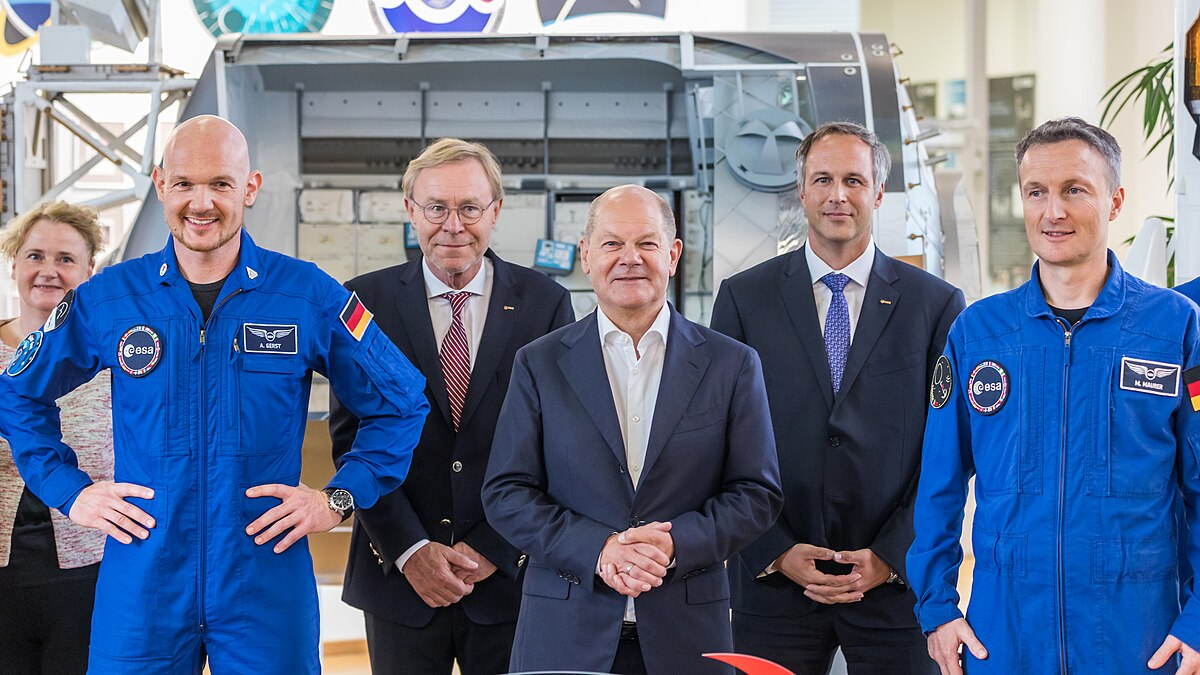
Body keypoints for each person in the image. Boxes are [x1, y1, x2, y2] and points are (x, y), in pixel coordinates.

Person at [0, 115, 429, 674]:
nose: (201, 202)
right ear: (160, 186)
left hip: (264, 581)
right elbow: (17, 393)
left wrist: (337, 498)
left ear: (249, 188)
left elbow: (401, 400)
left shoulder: (308, 294)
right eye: (184, 184)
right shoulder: (109, 299)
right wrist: (71, 491)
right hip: (143, 583)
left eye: (220, 184)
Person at [908, 116, 1200, 675]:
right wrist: (939, 610)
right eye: (1036, 192)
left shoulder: (1175, 329)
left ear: (1114, 201)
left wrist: (1198, 621)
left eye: (1074, 190)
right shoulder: (979, 334)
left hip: (1140, 639)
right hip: (1004, 637)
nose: (1053, 211)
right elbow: (939, 484)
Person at [482, 184, 784, 675]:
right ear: (585, 255)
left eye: (646, 243)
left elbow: (757, 494)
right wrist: (597, 549)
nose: (630, 258)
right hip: (565, 629)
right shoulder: (539, 364)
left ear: (673, 254)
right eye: (611, 243)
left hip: (688, 635)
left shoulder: (732, 364)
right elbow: (506, 492)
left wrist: (673, 544)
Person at [710, 121, 962, 674]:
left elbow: (947, 451)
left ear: (877, 192)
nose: (837, 195)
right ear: (801, 190)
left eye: (854, 179)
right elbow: (717, 440)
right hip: (772, 583)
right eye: (822, 179)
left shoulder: (935, 306)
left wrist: (892, 557)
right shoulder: (743, 299)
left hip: (896, 586)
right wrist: (774, 549)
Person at [330, 137, 574, 674]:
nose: (453, 224)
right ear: (410, 211)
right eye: (437, 207)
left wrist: (495, 546)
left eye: (469, 207)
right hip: (398, 578)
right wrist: (411, 549)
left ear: (496, 211)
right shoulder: (362, 303)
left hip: (510, 577)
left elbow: (560, 443)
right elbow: (352, 441)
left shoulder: (546, 303)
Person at [0, 202, 113, 673]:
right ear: (14, 265)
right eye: (35, 256)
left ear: (89, 270)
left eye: (65, 259)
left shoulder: (118, 360)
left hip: (91, 571)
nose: (49, 271)